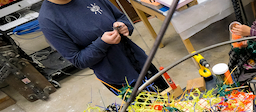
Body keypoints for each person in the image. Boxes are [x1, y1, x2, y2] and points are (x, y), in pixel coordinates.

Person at [38, 0, 167, 94]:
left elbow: (120, 17)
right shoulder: (49, 20)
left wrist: (124, 25)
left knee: (170, 98)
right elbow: (78, 60)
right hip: (118, 78)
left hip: (140, 61)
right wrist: (102, 43)